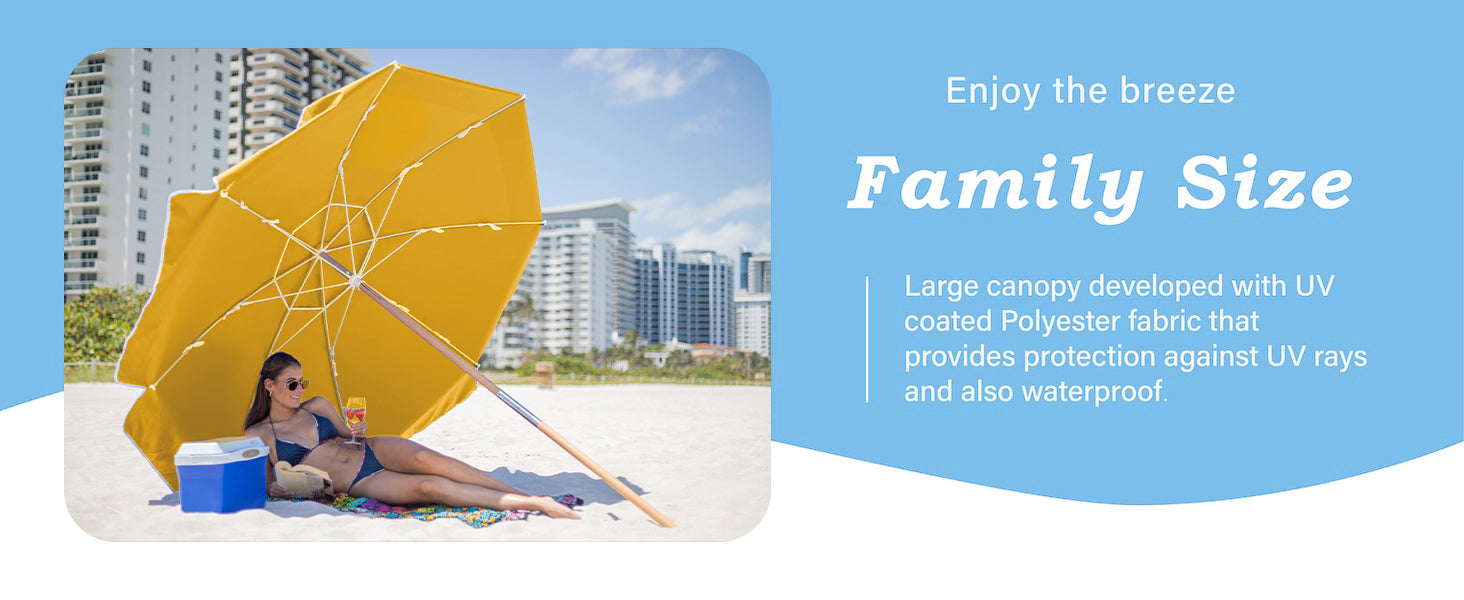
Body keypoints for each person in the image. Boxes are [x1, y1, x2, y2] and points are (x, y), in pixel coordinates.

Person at [243, 352, 578, 519]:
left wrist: (357, 430)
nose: (299, 389)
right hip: (360, 479)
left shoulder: (317, 405)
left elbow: (349, 434)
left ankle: (523, 493)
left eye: (302, 382)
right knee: (429, 487)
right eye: (292, 383)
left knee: (429, 459)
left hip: (372, 449)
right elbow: (267, 484)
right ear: (270, 386)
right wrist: (276, 488)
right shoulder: (259, 434)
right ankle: (533, 503)